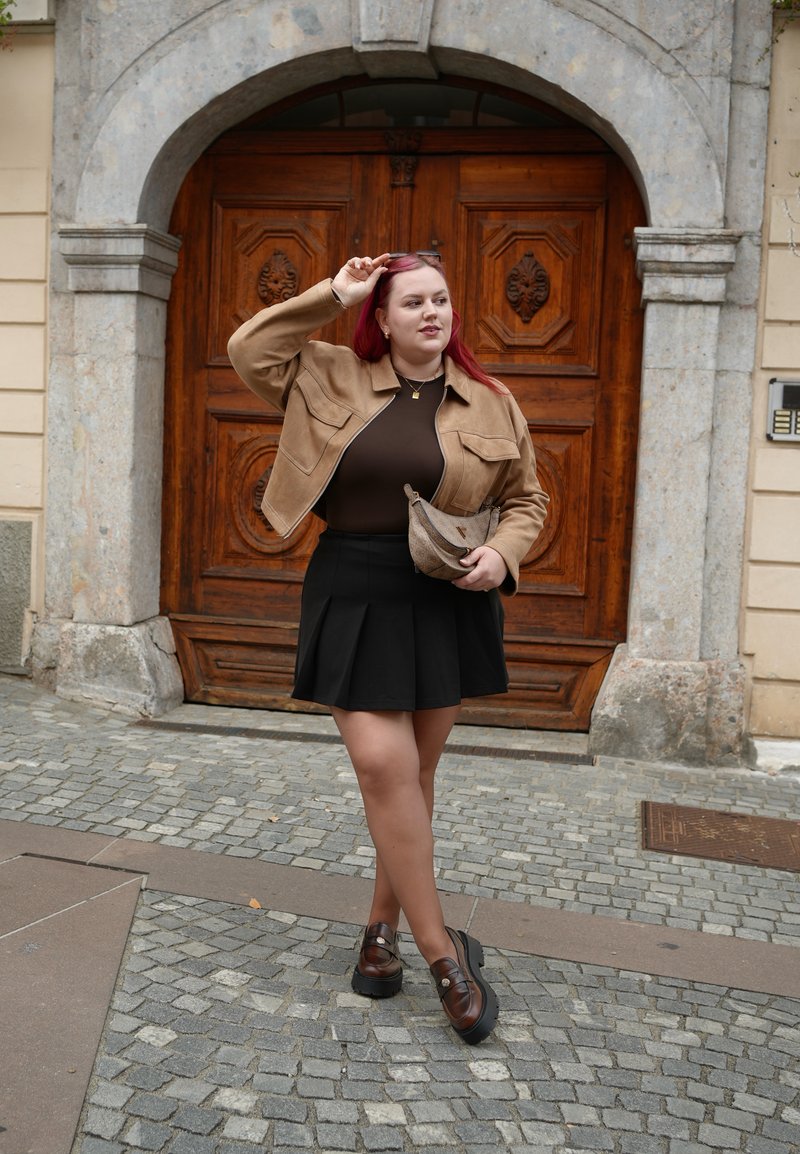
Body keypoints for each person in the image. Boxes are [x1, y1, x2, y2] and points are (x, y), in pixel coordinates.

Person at [228, 251, 548, 1045]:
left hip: (444, 597)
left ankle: (380, 937)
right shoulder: (328, 372)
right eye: (414, 303)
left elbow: (527, 499)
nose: (433, 313)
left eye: (442, 299)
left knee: (413, 777)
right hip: (355, 587)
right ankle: (445, 957)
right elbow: (248, 351)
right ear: (383, 315)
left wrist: (505, 554)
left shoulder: (492, 400)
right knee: (383, 766)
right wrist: (329, 296)